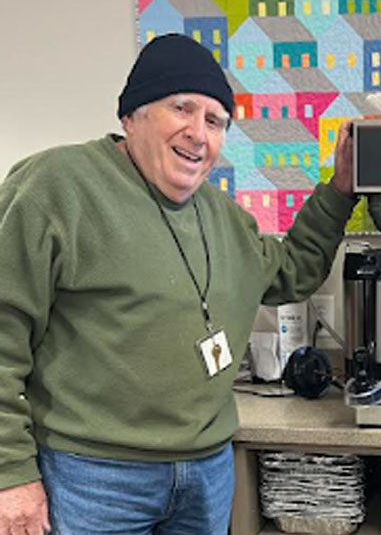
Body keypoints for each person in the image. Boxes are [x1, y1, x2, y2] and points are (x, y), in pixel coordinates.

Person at [0, 33, 356, 534]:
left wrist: (340, 190)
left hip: (206, 473)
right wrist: (10, 473)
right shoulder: (56, 187)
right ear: (132, 116)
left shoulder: (225, 218)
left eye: (214, 121)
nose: (198, 134)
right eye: (181, 108)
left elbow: (294, 270)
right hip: (93, 475)